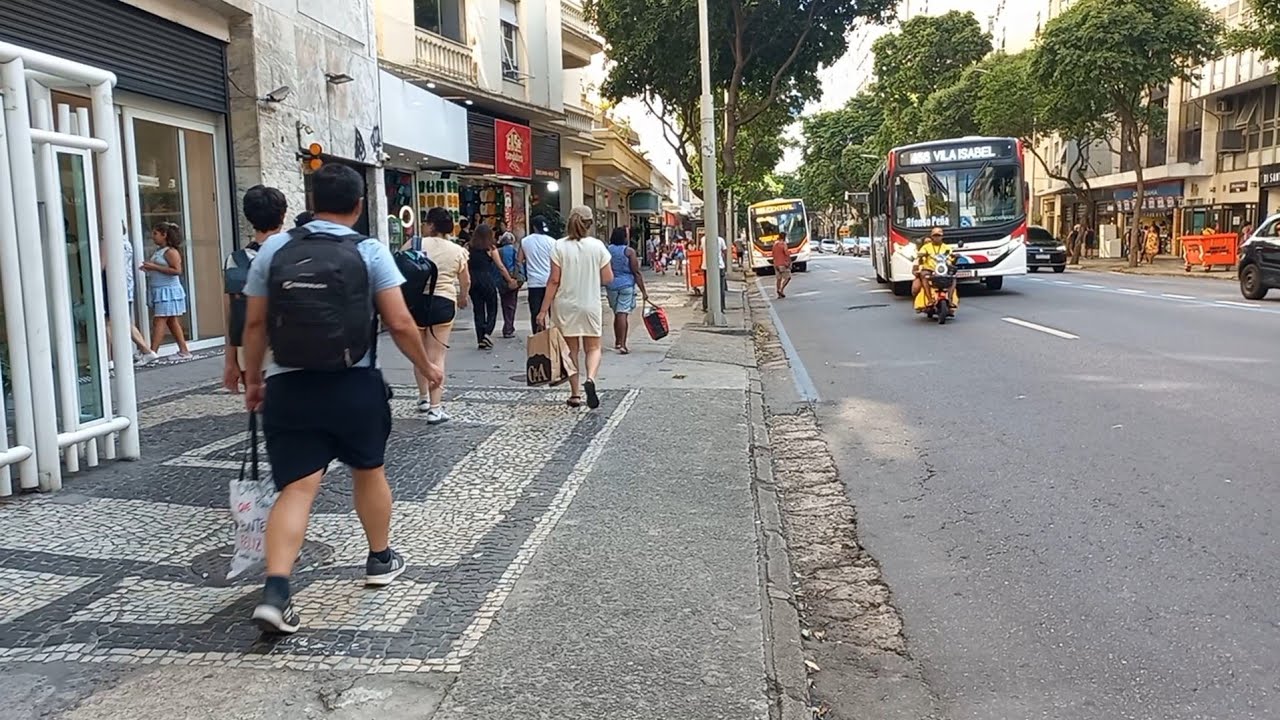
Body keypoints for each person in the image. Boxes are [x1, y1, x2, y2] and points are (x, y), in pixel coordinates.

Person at [240, 164, 444, 635]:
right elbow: (397, 320)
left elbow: (253, 324)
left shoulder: (273, 248)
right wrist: (427, 366)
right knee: (369, 470)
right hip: (354, 384)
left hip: (289, 385)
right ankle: (379, 558)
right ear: (358, 206)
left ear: (311, 199)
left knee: (296, 488)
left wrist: (254, 380)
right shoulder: (369, 250)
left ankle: (276, 591)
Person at [536, 206, 613, 409]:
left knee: (571, 351)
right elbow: (608, 278)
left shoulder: (559, 246)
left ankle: (575, 394)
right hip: (590, 304)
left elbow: (553, 280)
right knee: (594, 347)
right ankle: (591, 380)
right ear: (590, 224)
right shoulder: (597, 246)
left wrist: (543, 310)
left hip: (565, 305)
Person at [411, 207, 471, 423]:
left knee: (419, 353)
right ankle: (435, 408)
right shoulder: (457, 250)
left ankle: (423, 397)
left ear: (431, 225)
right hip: (444, 302)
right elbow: (465, 280)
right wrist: (463, 297)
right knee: (437, 356)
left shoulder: (416, 244)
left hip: (417, 302)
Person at [224, 185, 286, 392]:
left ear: (249, 217)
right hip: (293, 342)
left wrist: (230, 361)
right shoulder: (295, 251)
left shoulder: (236, 260)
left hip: (250, 346)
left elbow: (233, 313)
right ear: (283, 215)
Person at [140, 222, 192, 360]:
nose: (153, 236)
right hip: (160, 289)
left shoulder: (171, 252)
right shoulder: (160, 251)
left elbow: (177, 270)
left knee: (160, 320)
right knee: (171, 321)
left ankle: (152, 352)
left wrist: (154, 267)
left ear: (164, 235)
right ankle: (184, 350)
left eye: (156, 234)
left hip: (168, 290)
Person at [104, 222, 154, 366]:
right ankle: (146, 350)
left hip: (113, 287)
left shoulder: (111, 244)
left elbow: (102, 265)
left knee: (109, 322)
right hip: (126, 287)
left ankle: (110, 358)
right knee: (124, 321)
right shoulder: (126, 244)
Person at [467, 224, 518, 349]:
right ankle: (487, 333)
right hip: (487, 280)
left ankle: (480, 337)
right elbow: (500, 267)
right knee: (492, 307)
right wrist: (509, 279)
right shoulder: (490, 248)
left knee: (478, 309)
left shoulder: (468, 247)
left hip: (473, 281)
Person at [605, 226, 649, 354]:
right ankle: (623, 344)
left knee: (616, 314)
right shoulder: (629, 252)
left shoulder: (607, 250)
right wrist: (644, 292)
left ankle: (617, 342)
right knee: (623, 314)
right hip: (626, 285)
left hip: (611, 285)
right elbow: (636, 272)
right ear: (624, 237)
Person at [517, 215, 556, 332]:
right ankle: (553, 340)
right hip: (550, 282)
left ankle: (538, 340)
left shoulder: (525, 241)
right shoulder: (552, 242)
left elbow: (519, 261)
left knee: (536, 313)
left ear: (534, 227)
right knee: (552, 314)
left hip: (534, 283)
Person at [912, 227, 957, 312]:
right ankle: (930, 299)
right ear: (932, 236)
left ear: (942, 236)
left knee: (953, 277)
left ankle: (950, 300)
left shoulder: (946, 247)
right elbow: (920, 256)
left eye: (939, 235)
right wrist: (921, 255)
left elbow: (951, 259)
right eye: (935, 235)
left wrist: (955, 257)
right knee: (924, 275)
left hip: (942, 269)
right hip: (930, 270)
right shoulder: (926, 247)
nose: (937, 237)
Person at [498, 231, 522, 338]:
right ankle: (509, 327)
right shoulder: (515, 250)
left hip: (502, 281)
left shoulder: (499, 252)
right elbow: (518, 264)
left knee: (505, 303)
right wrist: (517, 279)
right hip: (513, 279)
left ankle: (507, 326)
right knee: (512, 304)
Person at [700, 233, 729, 312]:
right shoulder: (720, 240)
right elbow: (725, 251)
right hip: (719, 266)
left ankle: (705, 305)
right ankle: (721, 306)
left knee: (707, 287)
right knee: (720, 288)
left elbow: (701, 250)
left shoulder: (703, 239)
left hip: (706, 266)